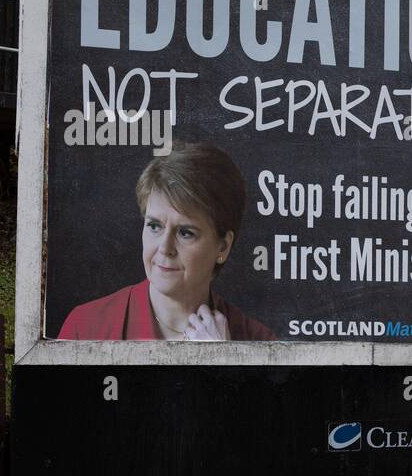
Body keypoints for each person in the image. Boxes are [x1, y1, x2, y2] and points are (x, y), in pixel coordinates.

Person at [57, 144, 275, 342]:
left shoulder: (260, 341)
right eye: (154, 226)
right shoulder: (85, 327)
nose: (164, 247)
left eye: (185, 232)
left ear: (223, 247)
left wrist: (223, 364)